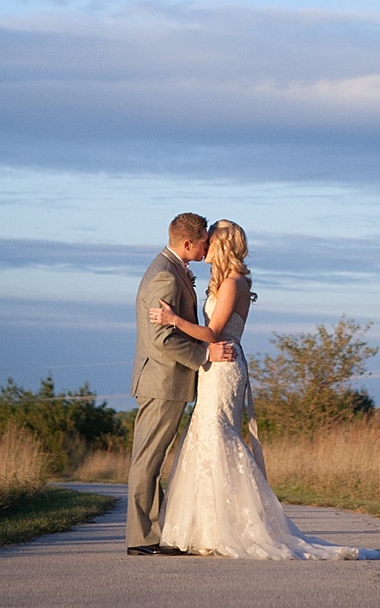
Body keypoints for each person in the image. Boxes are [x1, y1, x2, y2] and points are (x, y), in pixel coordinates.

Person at [149, 219, 359, 559]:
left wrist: (173, 320)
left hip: (224, 365)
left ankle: (235, 526)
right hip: (212, 365)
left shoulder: (233, 283)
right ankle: (207, 527)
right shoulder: (226, 281)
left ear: (222, 245)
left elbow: (214, 333)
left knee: (218, 436)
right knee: (207, 436)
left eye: (209, 239)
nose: (204, 244)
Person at [127, 212, 236, 554]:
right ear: (188, 243)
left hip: (165, 381)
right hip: (162, 381)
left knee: (153, 458)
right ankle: (142, 538)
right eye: (204, 240)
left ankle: (154, 533)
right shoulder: (166, 277)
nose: (207, 245)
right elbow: (162, 339)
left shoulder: (171, 270)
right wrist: (205, 356)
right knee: (148, 460)